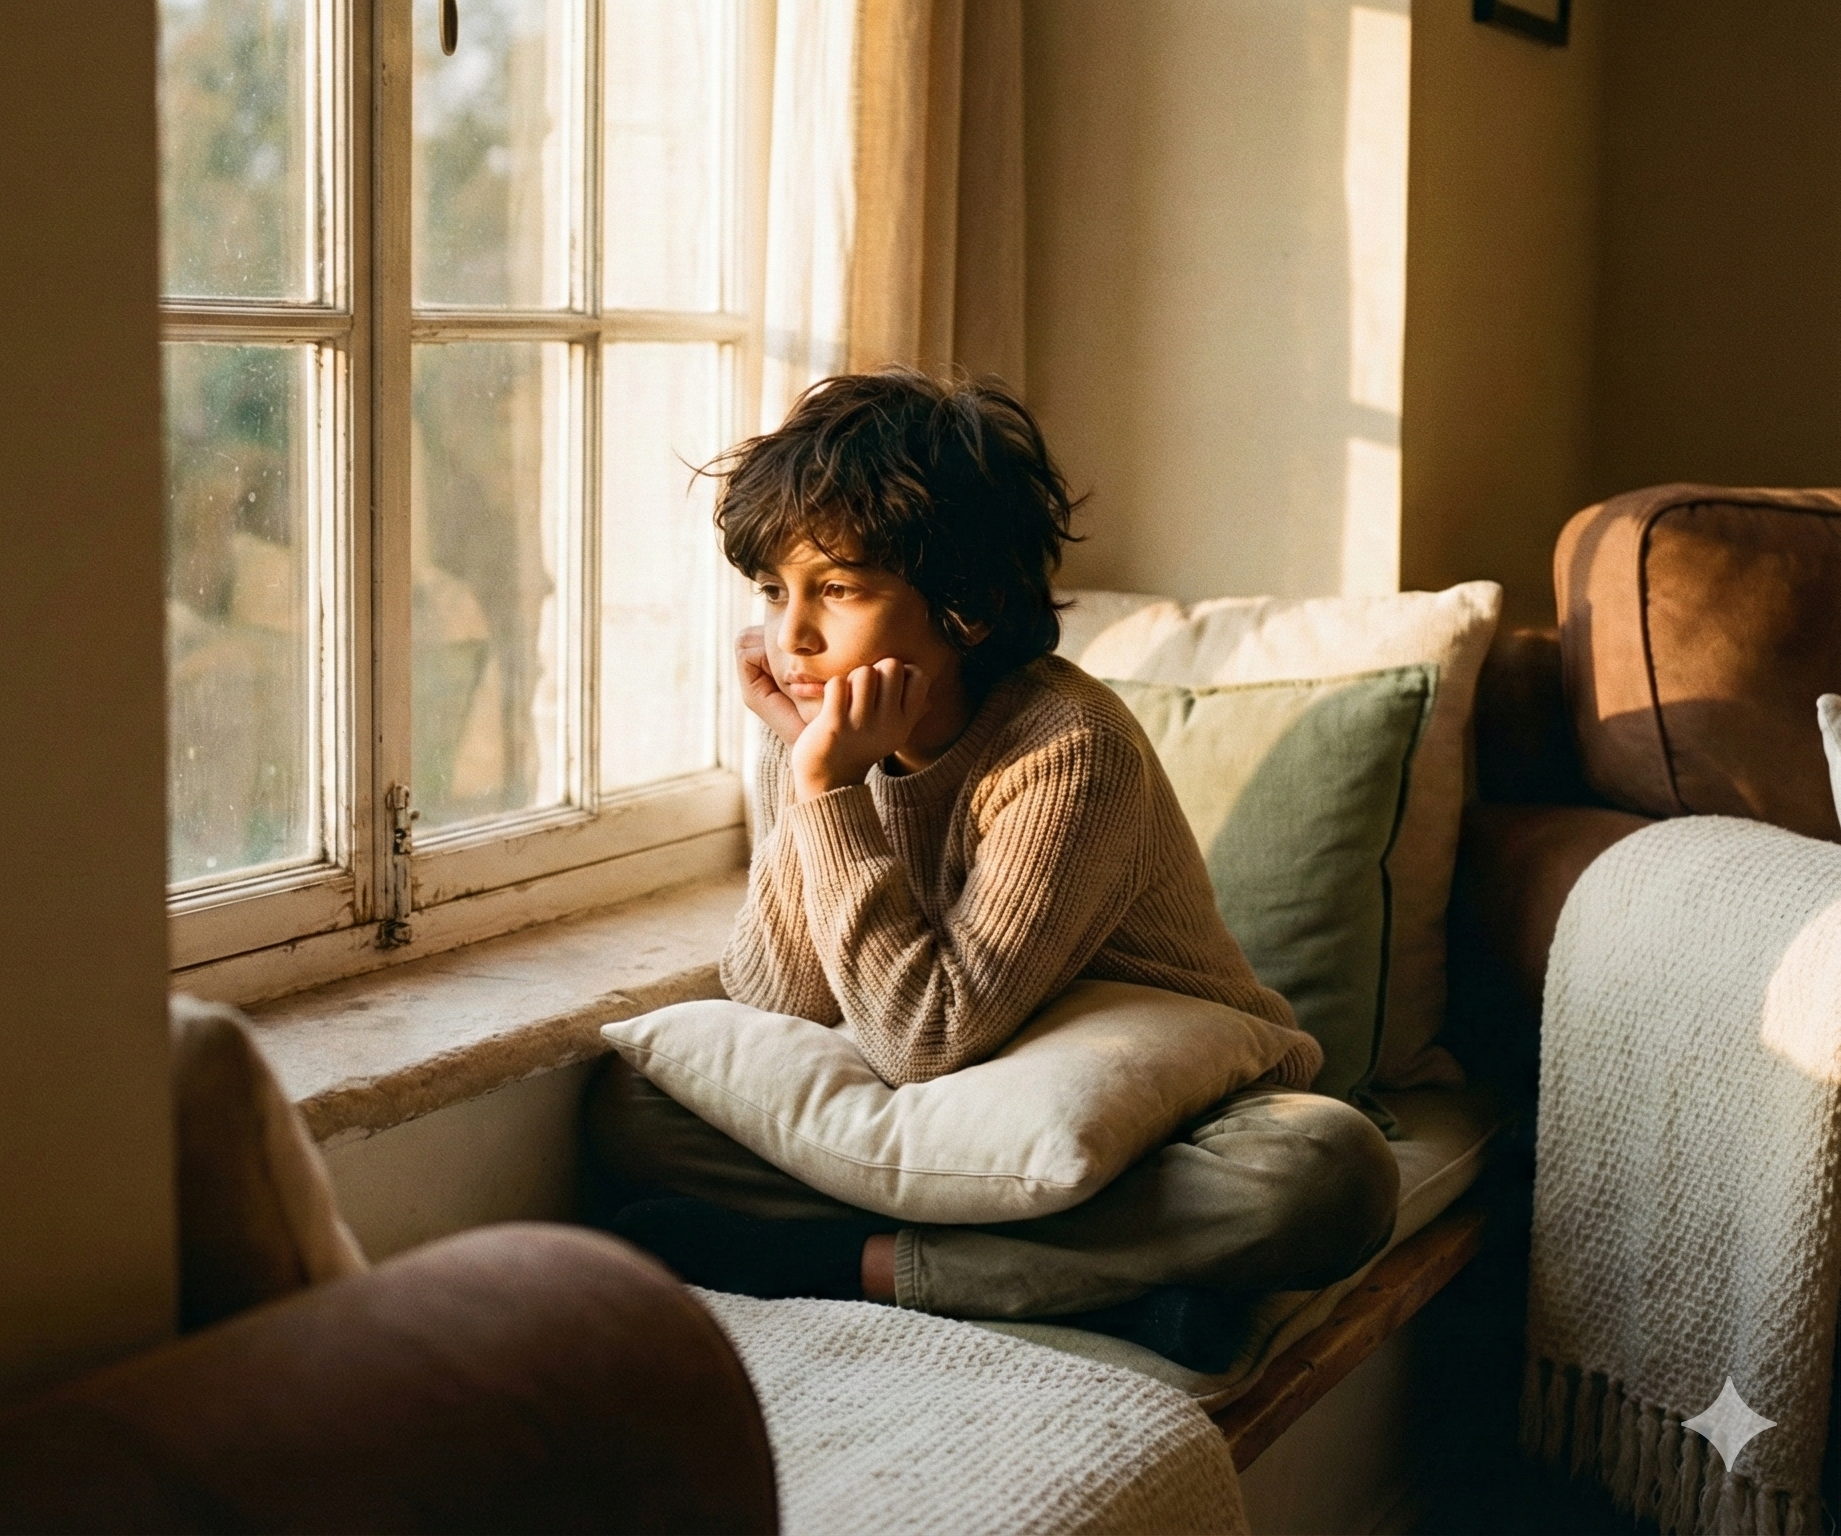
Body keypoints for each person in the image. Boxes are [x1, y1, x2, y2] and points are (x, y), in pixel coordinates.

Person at [589, 368, 1396, 1371]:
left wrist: (830, 799)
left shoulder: (1067, 746)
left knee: (1324, 1177)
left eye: (834, 589)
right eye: (770, 590)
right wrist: (813, 784)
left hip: (1148, 1114)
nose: (788, 637)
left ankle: (857, 1265)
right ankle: (1109, 1287)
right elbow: (778, 1003)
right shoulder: (814, 739)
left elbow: (925, 1040)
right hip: (962, 1122)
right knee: (636, 1109)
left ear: (963, 606)